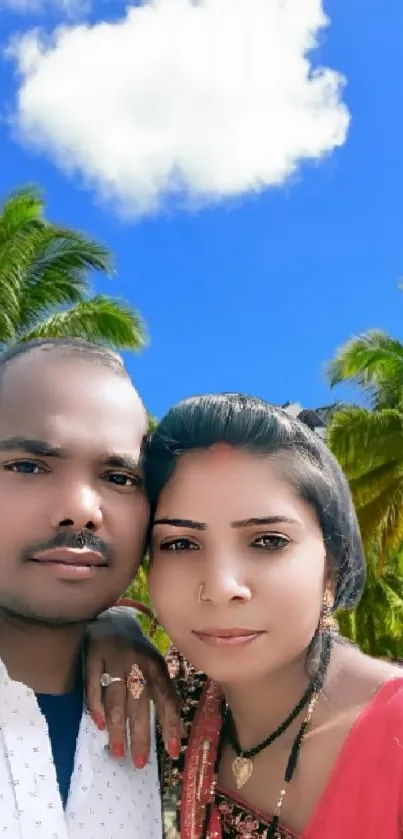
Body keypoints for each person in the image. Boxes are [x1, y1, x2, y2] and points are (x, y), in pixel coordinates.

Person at [88, 393, 403, 838]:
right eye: (180, 543)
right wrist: (109, 625)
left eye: (268, 540)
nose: (220, 587)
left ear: (331, 563)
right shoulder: (177, 701)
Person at [0, 337, 180, 838]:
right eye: (27, 466)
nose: (81, 508)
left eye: (120, 478)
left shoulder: (172, 721)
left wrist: (117, 622)